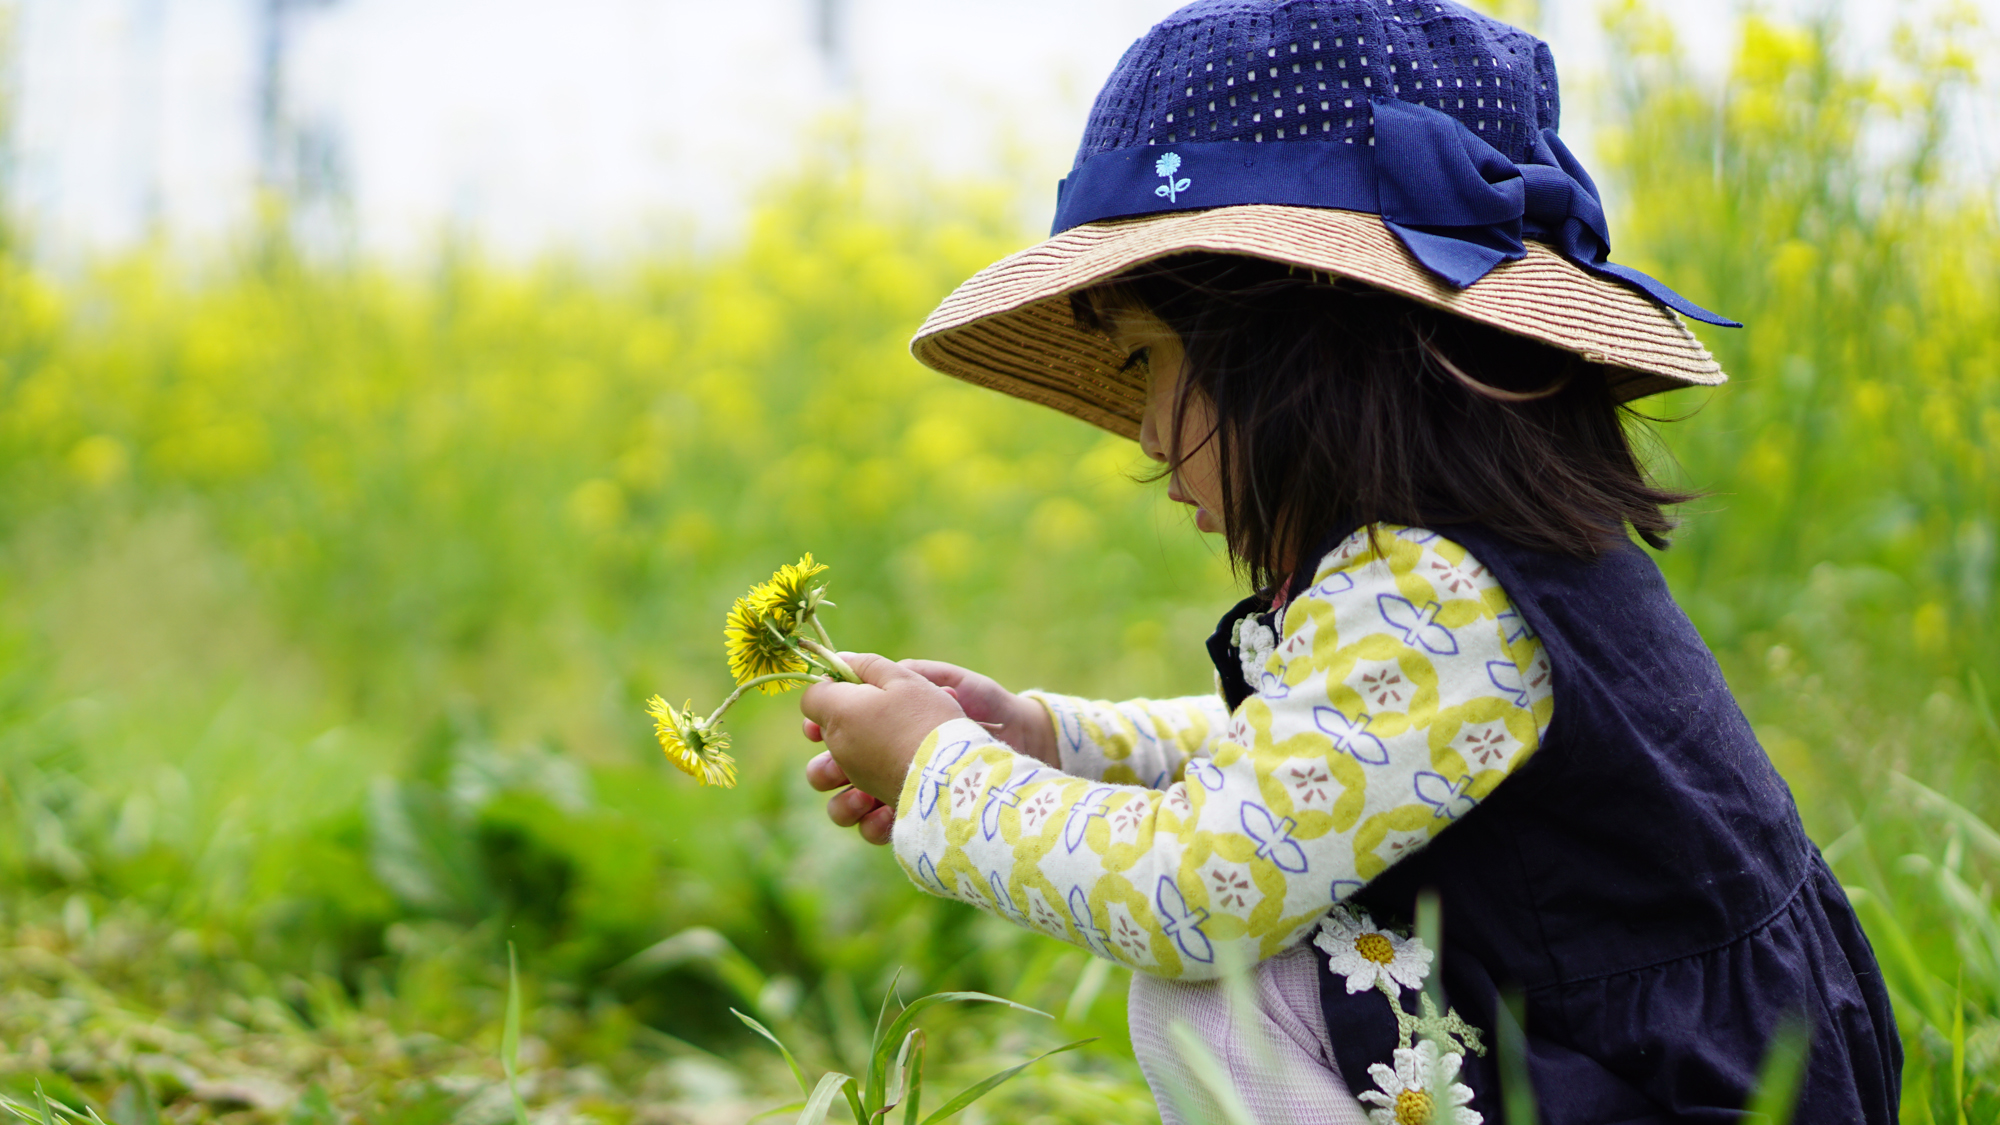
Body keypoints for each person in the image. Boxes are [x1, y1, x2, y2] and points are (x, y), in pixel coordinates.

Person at [797, 1, 1901, 1121]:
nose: (1136, 430)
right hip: (1669, 1067)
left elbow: (1191, 889)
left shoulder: (1441, 590)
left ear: (1300, 348)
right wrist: (1053, 740)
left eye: (1146, 360)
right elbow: (1307, 752)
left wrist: (944, 774)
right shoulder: (1477, 569)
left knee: (1223, 980)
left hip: (1666, 1094)